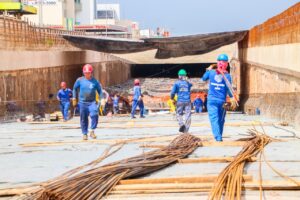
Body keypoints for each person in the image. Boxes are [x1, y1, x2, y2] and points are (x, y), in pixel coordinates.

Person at [202, 54, 237, 142]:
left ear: (217, 62)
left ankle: (218, 137)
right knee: (221, 119)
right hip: (222, 101)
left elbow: (203, 78)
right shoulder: (228, 76)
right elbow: (228, 88)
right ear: (227, 64)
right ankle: (219, 135)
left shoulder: (211, 72)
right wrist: (232, 97)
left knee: (214, 118)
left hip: (212, 100)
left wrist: (208, 69)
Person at [72, 64, 103, 140]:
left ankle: (92, 130)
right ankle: (84, 133)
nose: (87, 74)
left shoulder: (95, 82)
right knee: (83, 118)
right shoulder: (80, 80)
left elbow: (100, 91)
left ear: (91, 72)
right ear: (83, 73)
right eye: (85, 73)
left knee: (94, 114)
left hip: (92, 102)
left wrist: (101, 99)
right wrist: (74, 98)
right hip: (82, 103)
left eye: (88, 72)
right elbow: (74, 88)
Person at [170, 69, 193, 133]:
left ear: (179, 76)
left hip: (180, 101)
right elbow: (191, 84)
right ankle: (186, 130)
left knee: (178, 114)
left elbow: (172, 92)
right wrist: (187, 80)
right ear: (185, 75)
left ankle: (181, 124)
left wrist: (172, 98)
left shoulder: (176, 83)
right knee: (188, 115)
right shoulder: (188, 83)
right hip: (188, 101)